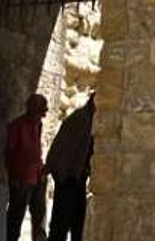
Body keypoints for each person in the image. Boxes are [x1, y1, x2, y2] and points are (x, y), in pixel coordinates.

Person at [45, 94, 95, 241]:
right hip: (69, 177)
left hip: (75, 177)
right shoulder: (81, 119)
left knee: (76, 221)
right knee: (62, 222)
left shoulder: (86, 119)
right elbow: (66, 148)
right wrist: (63, 175)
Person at [5, 93, 48, 241]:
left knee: (39, 214)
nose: (43, 116)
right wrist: (13, 176)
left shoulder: (39, 125)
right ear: (31, 109)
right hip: (21, 177)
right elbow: (9, 153)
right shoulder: (16, 126)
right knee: (16, 216)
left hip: (37, 176)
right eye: (40, 112)